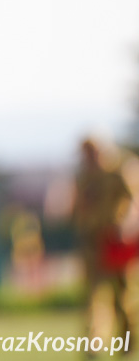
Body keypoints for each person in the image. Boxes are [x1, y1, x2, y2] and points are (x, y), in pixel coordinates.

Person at [71, 133, 139, 352]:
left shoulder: (122, 169)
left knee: (124, 297)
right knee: (94, 297)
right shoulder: (83, 175)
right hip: (93, 242)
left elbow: (133, 201)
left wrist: (125, 227)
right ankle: (93, 346)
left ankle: (127, 343)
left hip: (118, 242)